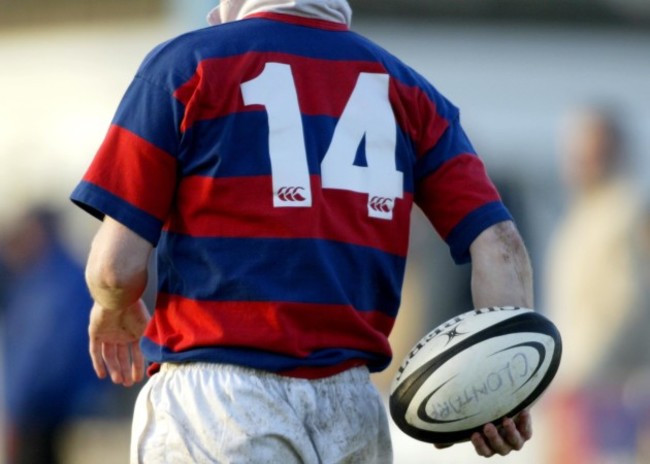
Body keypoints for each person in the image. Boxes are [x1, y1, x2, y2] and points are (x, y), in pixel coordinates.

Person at [70, 0, 535, 461]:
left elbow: (115, 269)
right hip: (352, 407)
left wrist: (112, 305)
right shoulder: (411, 92)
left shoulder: (186, 65)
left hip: (218, 404)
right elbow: (501, 247)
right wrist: (506, 393)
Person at [544, 105, 650, 463]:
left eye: (591, 151)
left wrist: (583, 377)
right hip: (578, 388)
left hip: (605, 394)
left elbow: (628, 305)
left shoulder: (625, 211)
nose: (580, 161)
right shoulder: (583, 212)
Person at [0, 206, 112, 464]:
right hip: (49, 406)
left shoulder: (51, 284)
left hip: (41, 410)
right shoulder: (47, 275)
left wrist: (20, 405)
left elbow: (43, 354)